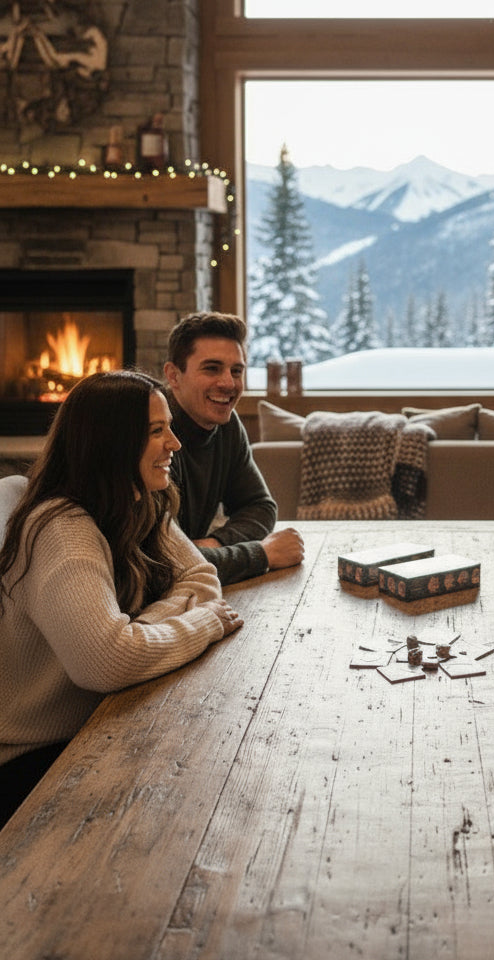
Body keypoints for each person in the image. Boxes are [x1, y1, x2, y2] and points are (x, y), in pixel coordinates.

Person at [0, 371, 243, 829]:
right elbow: (107, 662)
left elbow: (201, 576)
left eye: (168, 425)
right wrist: (203, 624)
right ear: (109, 443)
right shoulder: (61, 527)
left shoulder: (137, 501)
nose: (175, 442)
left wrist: (142, 631)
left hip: (93, 725)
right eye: (156, 431)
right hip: (31, 761)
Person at [164, 312, 304, 586]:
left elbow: (259, 506)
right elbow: (165, 564)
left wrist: (216, 542)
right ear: (174, 376)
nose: (228, 383)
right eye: (212, 368)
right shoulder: (151, 431)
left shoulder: (226, 424)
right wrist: (262, 554)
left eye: (236, 371)